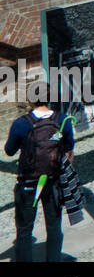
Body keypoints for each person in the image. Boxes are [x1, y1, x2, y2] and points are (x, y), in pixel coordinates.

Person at [6, 81, 74, 262]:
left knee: (24, 230)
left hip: (28, 184)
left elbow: (9, 150)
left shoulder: (21, 123)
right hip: (53, 181)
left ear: (30, 99)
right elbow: (68, 147)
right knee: (53, 226)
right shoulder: (62, 120)